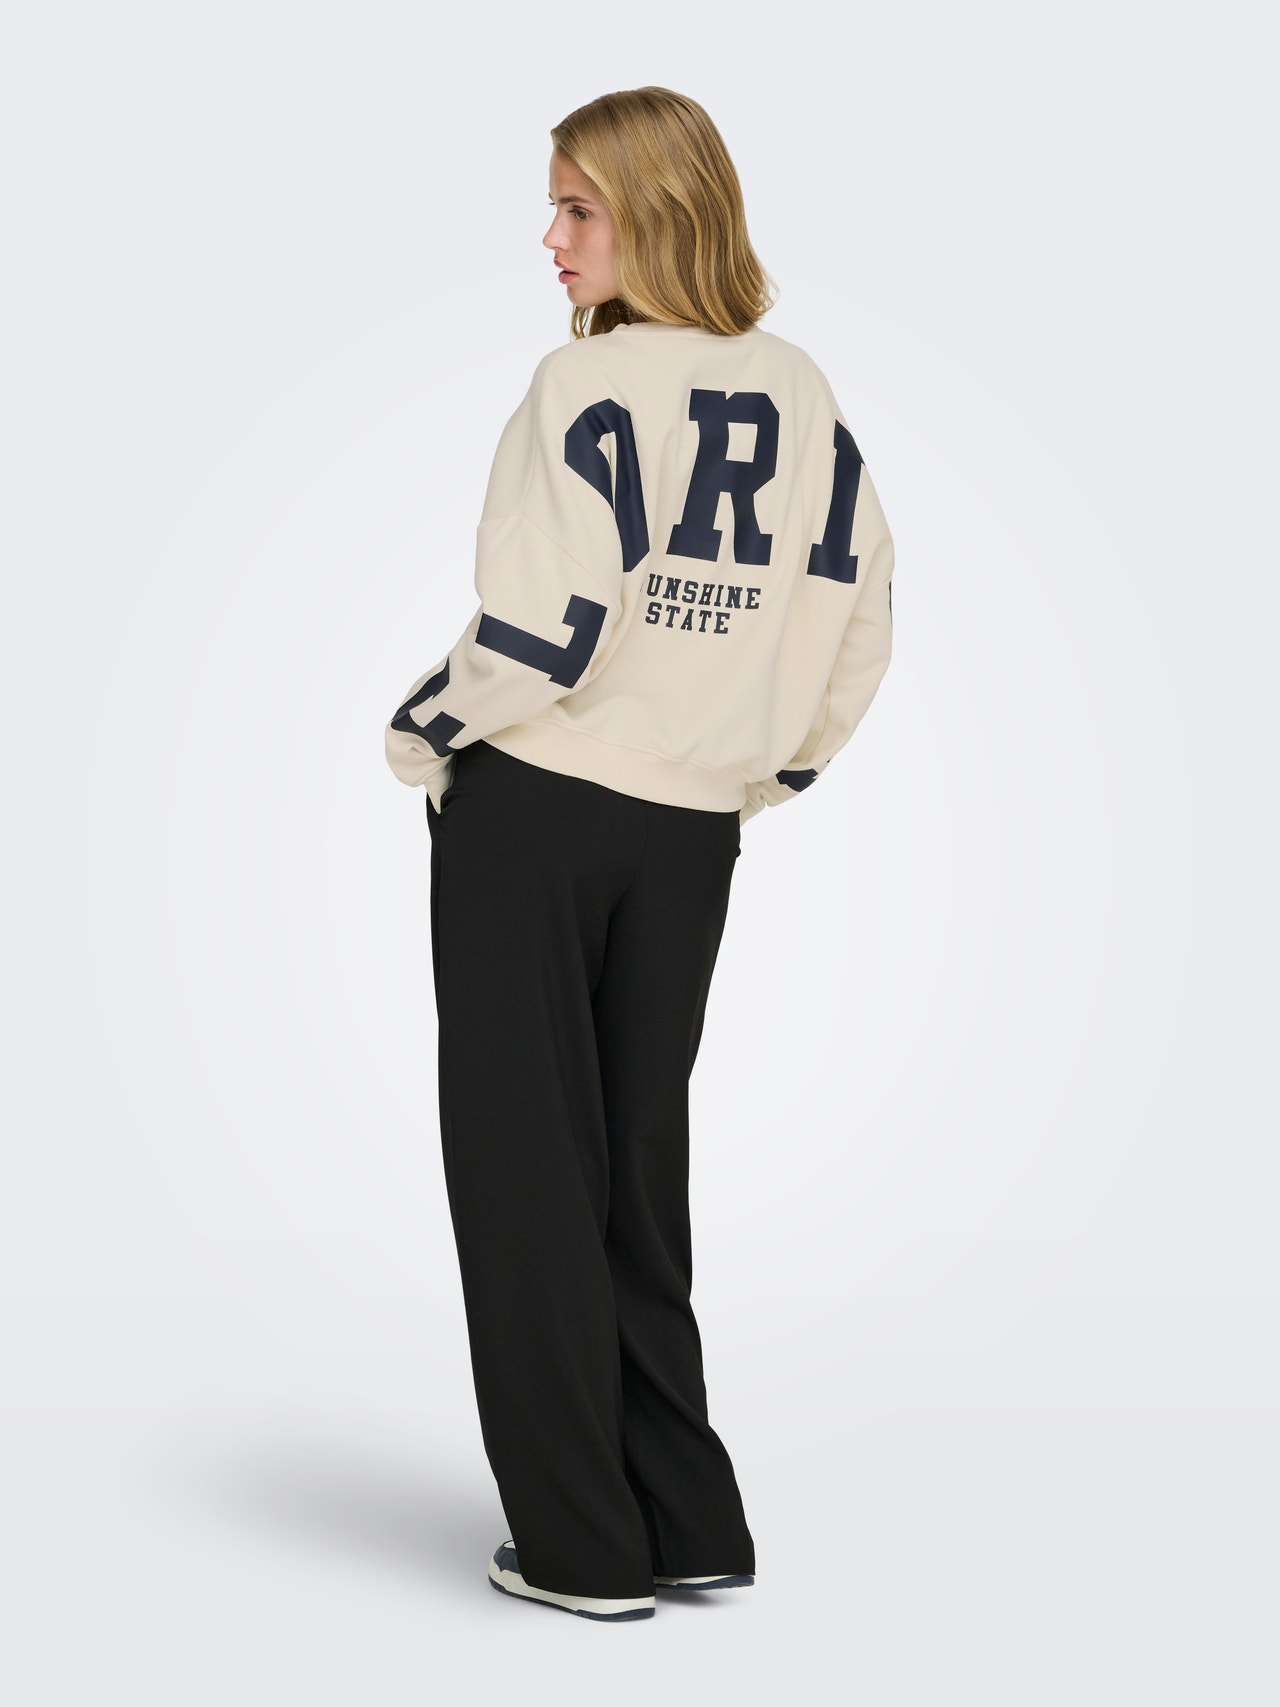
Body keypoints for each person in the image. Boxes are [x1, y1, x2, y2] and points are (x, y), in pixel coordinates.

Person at [384, 86, 895, 1623]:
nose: (550, 239)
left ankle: (577, 1547)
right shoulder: (801, 393)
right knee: (634, 1164)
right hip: (689, 835)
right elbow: (859, 614)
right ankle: (682, 1513)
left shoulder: (581, 388)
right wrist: (764, 766)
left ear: (660, 215)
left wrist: (424, 733)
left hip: (539, 808)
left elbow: (549, 628)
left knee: (528, 1174)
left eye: (578, 208)